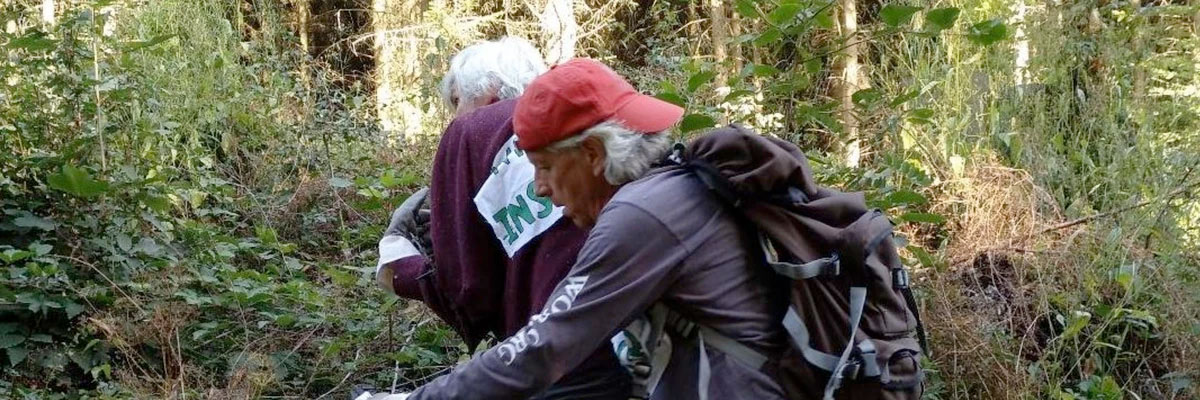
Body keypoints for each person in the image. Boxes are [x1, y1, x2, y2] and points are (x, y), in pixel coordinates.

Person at [400, 58, 791, 400]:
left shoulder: (640, 217)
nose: (540, 187)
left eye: (545, 166)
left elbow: (543, 349)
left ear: (592, 153)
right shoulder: (667, 192)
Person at [371, 41, 631, 399]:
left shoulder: (472, 131)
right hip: (639, 346)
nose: (454, 117)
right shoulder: (588, 126)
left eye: (457, 101)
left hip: (555, 365)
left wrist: (399, 265)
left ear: (489, 93)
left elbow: (465, 291)